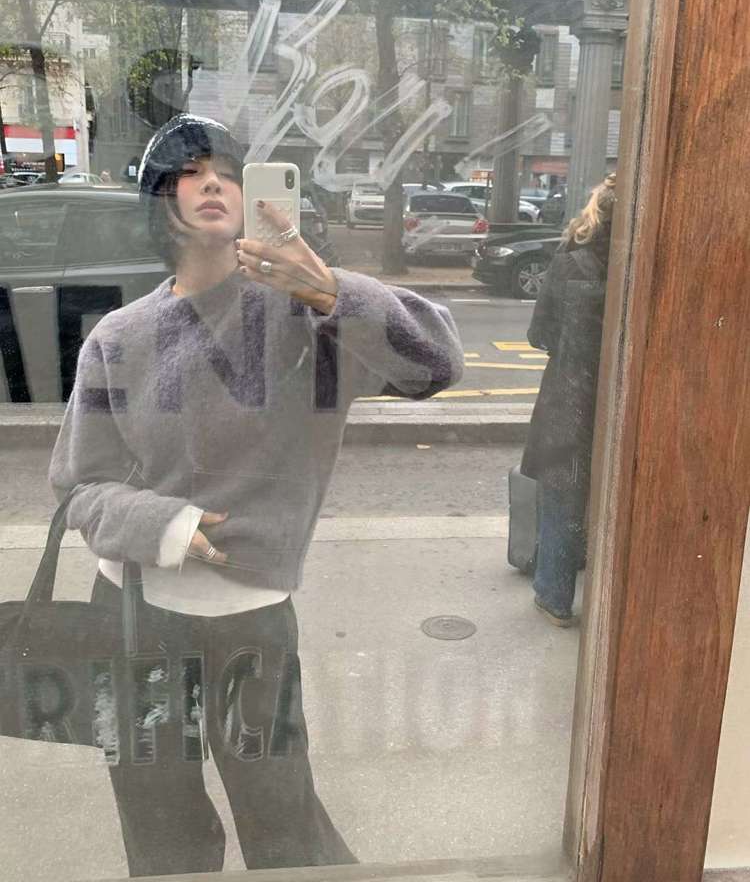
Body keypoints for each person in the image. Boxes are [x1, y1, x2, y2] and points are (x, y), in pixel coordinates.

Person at [48, 114, 463, 877]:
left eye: (229, 172)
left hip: (251, 621)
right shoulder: (119, 335)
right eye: (190, 171)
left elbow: (436, 363)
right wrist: (165, 524)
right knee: (158, 822)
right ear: (161, 201)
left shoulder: (307, 319)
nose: (212, 182)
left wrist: (330, 290)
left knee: (282, 820)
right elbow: (79, 485)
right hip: (129, 616)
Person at [520, 173, 615, 627]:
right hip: (621, 397)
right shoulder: (640, 264)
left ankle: (554, 596)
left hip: (570, 393)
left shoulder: (571, 261)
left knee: (563, 490)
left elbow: (539, 333)